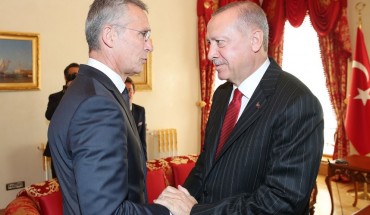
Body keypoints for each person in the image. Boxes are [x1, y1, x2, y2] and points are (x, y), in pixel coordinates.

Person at [155, 2, 324, 214]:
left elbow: (280, 202)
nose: (210, 54)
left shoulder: (298, 103)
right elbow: (206, 166)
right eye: (209, 43)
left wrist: (196, 212)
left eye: (219, 42)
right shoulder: (222, 94)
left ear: (255, 40)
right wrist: (175, 203)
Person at [47, 0, 169, 214]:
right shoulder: (97, 105)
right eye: (143, 34)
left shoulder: (88, 90)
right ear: (110, 35)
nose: (150, 45)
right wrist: (168, 211)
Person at [44, 62, 79, 178]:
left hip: (80, 147)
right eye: (73, 75)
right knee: (58, 182)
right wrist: (67, 92)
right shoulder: (55, 97)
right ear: (66, 77)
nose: (76, 77)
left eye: (79, 75)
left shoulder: (87, 95)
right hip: (59, 148)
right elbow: (49, 115)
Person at [125, 77, 147, 160]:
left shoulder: (141, 111)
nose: (128, 94)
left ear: (134, 92)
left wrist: (145, 160)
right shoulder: (117, 110)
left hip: (137, 156)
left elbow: (142, 139)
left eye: (130, 90)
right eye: (125, 91)